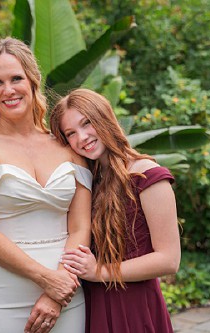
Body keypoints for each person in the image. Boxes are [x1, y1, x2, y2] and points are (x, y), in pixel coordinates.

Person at [0, 37, 92, 333]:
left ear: (33, 80)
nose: (8, 90)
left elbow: (81, 227)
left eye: (16, 78)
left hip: (66, 293)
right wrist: (46, 279)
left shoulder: (67, 144)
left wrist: (59, 290)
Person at [50, 88, 181, 333]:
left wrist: (98, 271)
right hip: (92, 304)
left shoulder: (147, 175)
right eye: (71, 133)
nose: (82, 137)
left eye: (86, 123)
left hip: (134, 306)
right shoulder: (88, 182)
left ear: (104, 117)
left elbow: (169, 259)